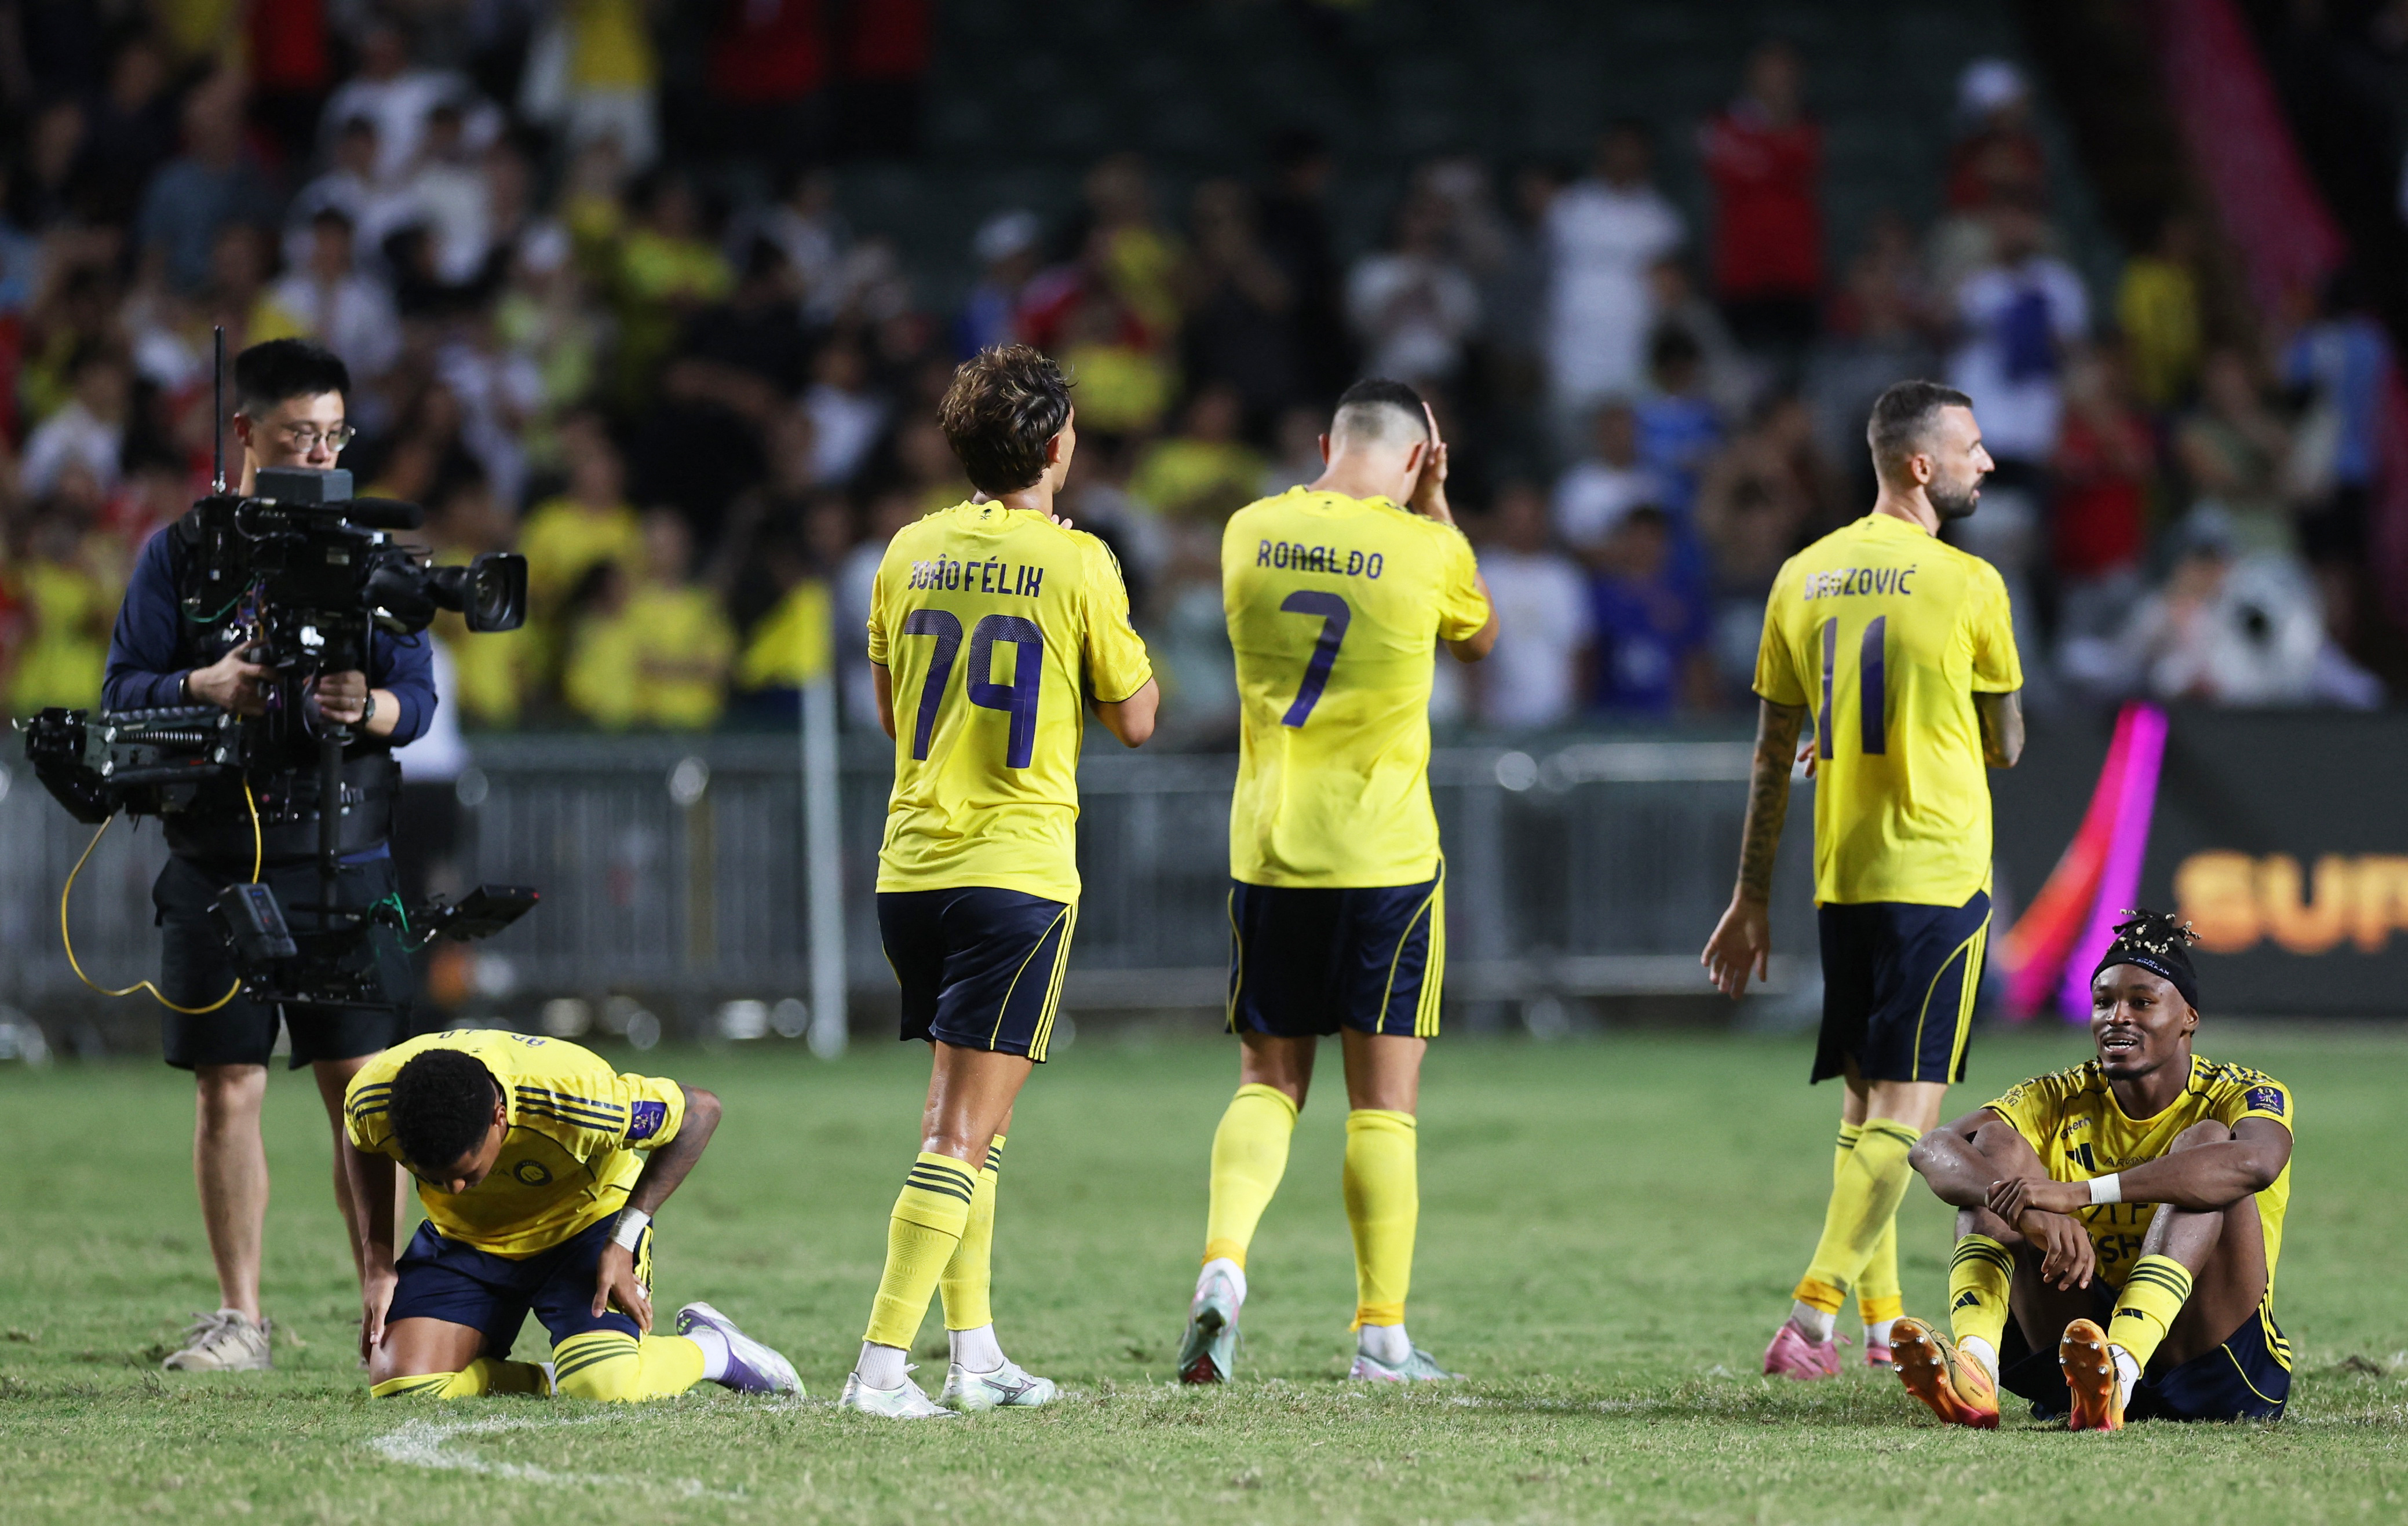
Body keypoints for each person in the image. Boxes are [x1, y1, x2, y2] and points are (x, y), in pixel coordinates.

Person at [100, 339, 436, 1372]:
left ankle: (383, 1291)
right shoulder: (182, 552)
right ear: (244, 433)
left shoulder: (369, 548)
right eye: (298, 435)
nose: (320, 453)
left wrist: (365, 702)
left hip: (345, 848)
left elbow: (415, 700)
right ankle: (239, 1314)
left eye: (334, 434)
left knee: (362, 1086)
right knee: (227, 1083)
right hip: (216, 854)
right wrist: (202, 686)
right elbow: (122, 691)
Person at [845, 344, 1160, 1417]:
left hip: (912, 866)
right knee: (958, 1134)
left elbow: (892, 715)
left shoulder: (907, 549)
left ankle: (973, 1354)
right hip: (1014, 873)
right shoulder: (1080, 562)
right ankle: (880, 1368)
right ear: (1060, 443)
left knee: (969, 1123)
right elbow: (1139, 718)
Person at [1701, 379, 2025, 1377]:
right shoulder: (1970, 585)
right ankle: (1810, 1315)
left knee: (1861, 1108)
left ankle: (1885, 1325)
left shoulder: (1801, 573)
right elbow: (2005, 743)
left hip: (1843, 875)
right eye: (1971, 447)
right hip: (1934, 869)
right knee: (1906, 1112)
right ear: (1920, 464)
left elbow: (1770, 751)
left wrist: (1748, 896)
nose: (1988, 462)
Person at [1180, 378, 1497, 1386]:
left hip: (1270, 847)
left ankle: (1223, 1266)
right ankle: (1380, 1335)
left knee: (1268, 1081)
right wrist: (1437, 506)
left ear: (1325, 442)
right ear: (1418, 457)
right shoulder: (1427, 548)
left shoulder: (1249, 529)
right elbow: (1480, 636)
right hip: (1386, 857)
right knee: (1384, 1104)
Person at [1892, 911, 2293, 1429]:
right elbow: (1932, 1147)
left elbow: (2256, 1162)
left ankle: (2122, 1367)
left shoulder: (2240, 1092)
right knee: (1992, 1147)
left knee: (2208, 1144)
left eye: (2142, 1002)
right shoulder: (2059, 1096)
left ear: (2189, 1017)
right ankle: (1977, 1367)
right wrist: (2024, 1211)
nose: (2116, 1017)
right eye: (2103, 1002)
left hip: (2208, 1359)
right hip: (2078, 1351)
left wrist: (2079, 1194)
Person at [344, 1029, 800, 1401]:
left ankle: (713, 1350)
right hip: (467, 1239)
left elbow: (700, 1112)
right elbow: (359, 1139)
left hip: (585, 1227)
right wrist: (378, 1265)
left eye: (464, 1173)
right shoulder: (377, 1095)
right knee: (403, 1385)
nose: (454, 1189)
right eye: (435, 1179)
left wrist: (623, 1239)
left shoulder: (580, 1099)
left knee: (609, 1390)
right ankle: (566, 1375)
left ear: (499, 1117)